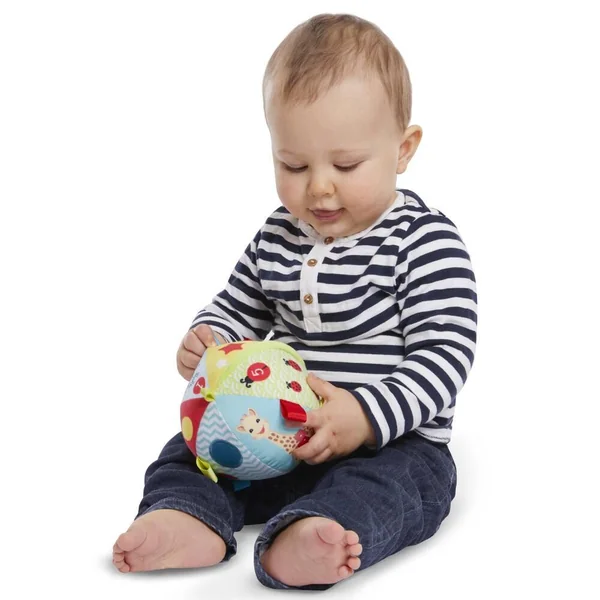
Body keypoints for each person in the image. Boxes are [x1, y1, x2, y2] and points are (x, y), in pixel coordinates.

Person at [112, 13, 478, 591]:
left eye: (346, 165)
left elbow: (445, 356)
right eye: (294, 165)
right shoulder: (278, 235)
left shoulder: (424, 240)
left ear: (403, 150)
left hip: (390, 444)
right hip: (273, 436)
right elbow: (238, 307)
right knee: (187, 453)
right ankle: (187, 518)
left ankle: (311, 535)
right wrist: (210, 338)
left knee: (395, 489)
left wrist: (364, 416)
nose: (319, 186)